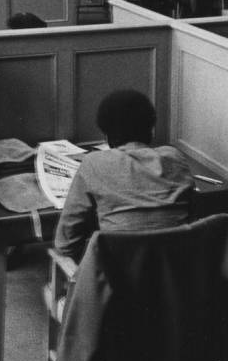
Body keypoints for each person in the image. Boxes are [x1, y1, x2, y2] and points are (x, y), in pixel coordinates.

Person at [54, 89, 195, 263]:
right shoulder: (175, 158)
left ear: (107, 135)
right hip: (178, 281)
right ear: (151, 129)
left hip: (116, 285)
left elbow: (65, 243)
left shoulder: (93, 163)